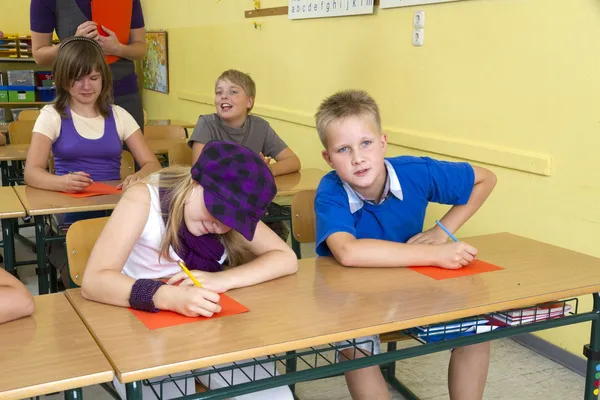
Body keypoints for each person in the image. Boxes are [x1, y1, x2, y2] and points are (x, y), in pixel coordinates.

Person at [313, 90, 497, 400]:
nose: (357, 158)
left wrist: (442, 231)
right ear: (328, 159)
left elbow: (485, 179)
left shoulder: (415, 171)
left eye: (366, 144)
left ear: (383, 143)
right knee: (356, 346)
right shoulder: (330, 190)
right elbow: (348, 251)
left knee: (477, 328)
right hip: (352, 297)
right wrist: (435, 254)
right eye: (343, 149)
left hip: (410, 285)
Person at [81, 141, 298, 399]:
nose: (219, 226)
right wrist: (167, 297)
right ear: (195, 182)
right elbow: (94, 281)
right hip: (137, 326)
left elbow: (286, 258)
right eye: (216, 210)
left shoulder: (232, 206)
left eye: (230, 220)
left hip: (204, 328)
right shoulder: (144, 199)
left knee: (274, 396)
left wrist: (223, 280)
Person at [25, 36, 160, 194]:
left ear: (104, 78)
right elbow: (31, 172)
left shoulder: (119, 115)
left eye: (94, 78)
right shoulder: (51, 115)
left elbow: (153, 165)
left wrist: (140, 175)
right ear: (63, 79)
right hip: (69, 207)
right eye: (77, 79)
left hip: (113, 205)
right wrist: (61, 182)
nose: (87, 86)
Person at [188, 69, 301, 241]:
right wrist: (249, 170)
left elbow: (293, 161)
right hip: (215, 204)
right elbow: (198, 169)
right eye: (219, 92)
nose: (224, 96)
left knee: (276, 228)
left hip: (248, 204)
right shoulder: (206, 124)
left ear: (249, 101)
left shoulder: (260, 127)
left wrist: (264, 170)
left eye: (233, 92)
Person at [30, 0, 147, 130]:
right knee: (79, 148)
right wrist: (73, 43)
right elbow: (39, 56)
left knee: (131, 149)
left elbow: (141, 49)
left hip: (123, 93)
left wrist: (117, 49)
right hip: (75, 97)